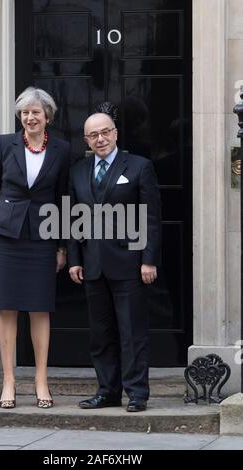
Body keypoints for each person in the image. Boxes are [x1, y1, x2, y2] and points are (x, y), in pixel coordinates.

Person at [0, 87, 70, 409]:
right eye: (25, 113)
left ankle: (41, 378)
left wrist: (61, 246)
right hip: (4, 236)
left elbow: (63, 201)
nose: (30, 117)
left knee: (40, 307)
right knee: (7, 307)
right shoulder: (4, 144)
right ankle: (10, 380)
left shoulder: (61, 149)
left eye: (36, 113)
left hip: (42, 236)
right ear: (20, 116)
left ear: (47, 117)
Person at [68, 112, 161, 412]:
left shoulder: (139, 166)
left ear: (116, 133)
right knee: (101, 334)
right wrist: (74, 259)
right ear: (86, 140)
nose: (100, 139)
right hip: (93, 265)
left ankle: (137, 394)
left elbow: (150, 218)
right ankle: (107, 391)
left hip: (129, 264)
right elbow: (72, 218)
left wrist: (149, 260)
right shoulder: (79, 171)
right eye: (93, 135)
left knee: (132, 332)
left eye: (105, 132)